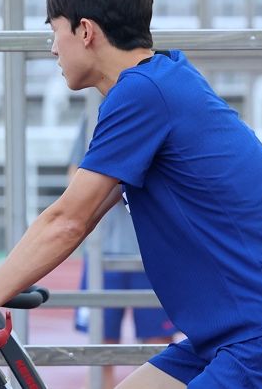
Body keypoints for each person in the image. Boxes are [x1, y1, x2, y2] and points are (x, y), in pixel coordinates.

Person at [0, 0, 262, 389]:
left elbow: (68, 220)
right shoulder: (164, 77)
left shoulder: (142, 93)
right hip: (223, 335)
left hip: (257, 337)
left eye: (55, 31)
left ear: (85, 31)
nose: (52, 49)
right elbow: (78, 214)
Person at [69, 115, 176, 388]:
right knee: (101, 348)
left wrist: (116, 180)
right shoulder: (96, 116)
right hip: (104, 249)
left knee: (159, 346)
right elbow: (76, 182)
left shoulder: (158, 114)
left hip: (155, 251)